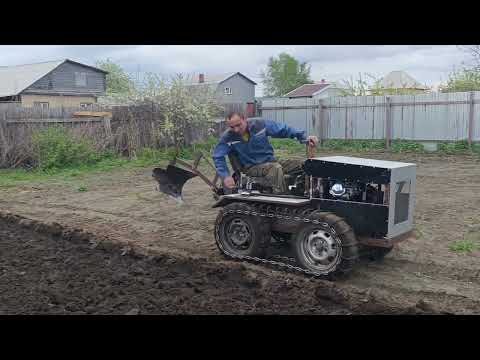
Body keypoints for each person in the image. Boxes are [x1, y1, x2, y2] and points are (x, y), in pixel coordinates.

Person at [213, 112, 318, 194]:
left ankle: (307, 193)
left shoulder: (260, 125)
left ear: (244, 119)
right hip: (250, 167)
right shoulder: (227, 137)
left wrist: (304, 138)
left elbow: (283, 129)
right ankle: (282, 200)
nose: (236, 129)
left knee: (306, 164)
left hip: (270, 161)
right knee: (275, 168)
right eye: (232, 127)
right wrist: (226, 176)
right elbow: (218, 156)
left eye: (238, 125)